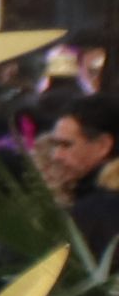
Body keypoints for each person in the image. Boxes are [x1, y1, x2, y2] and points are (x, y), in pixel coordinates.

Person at [34, 88, 119, 250]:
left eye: (66, 145)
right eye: (55, 145)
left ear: (102, 145)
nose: (56, 155)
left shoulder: (99, 211)